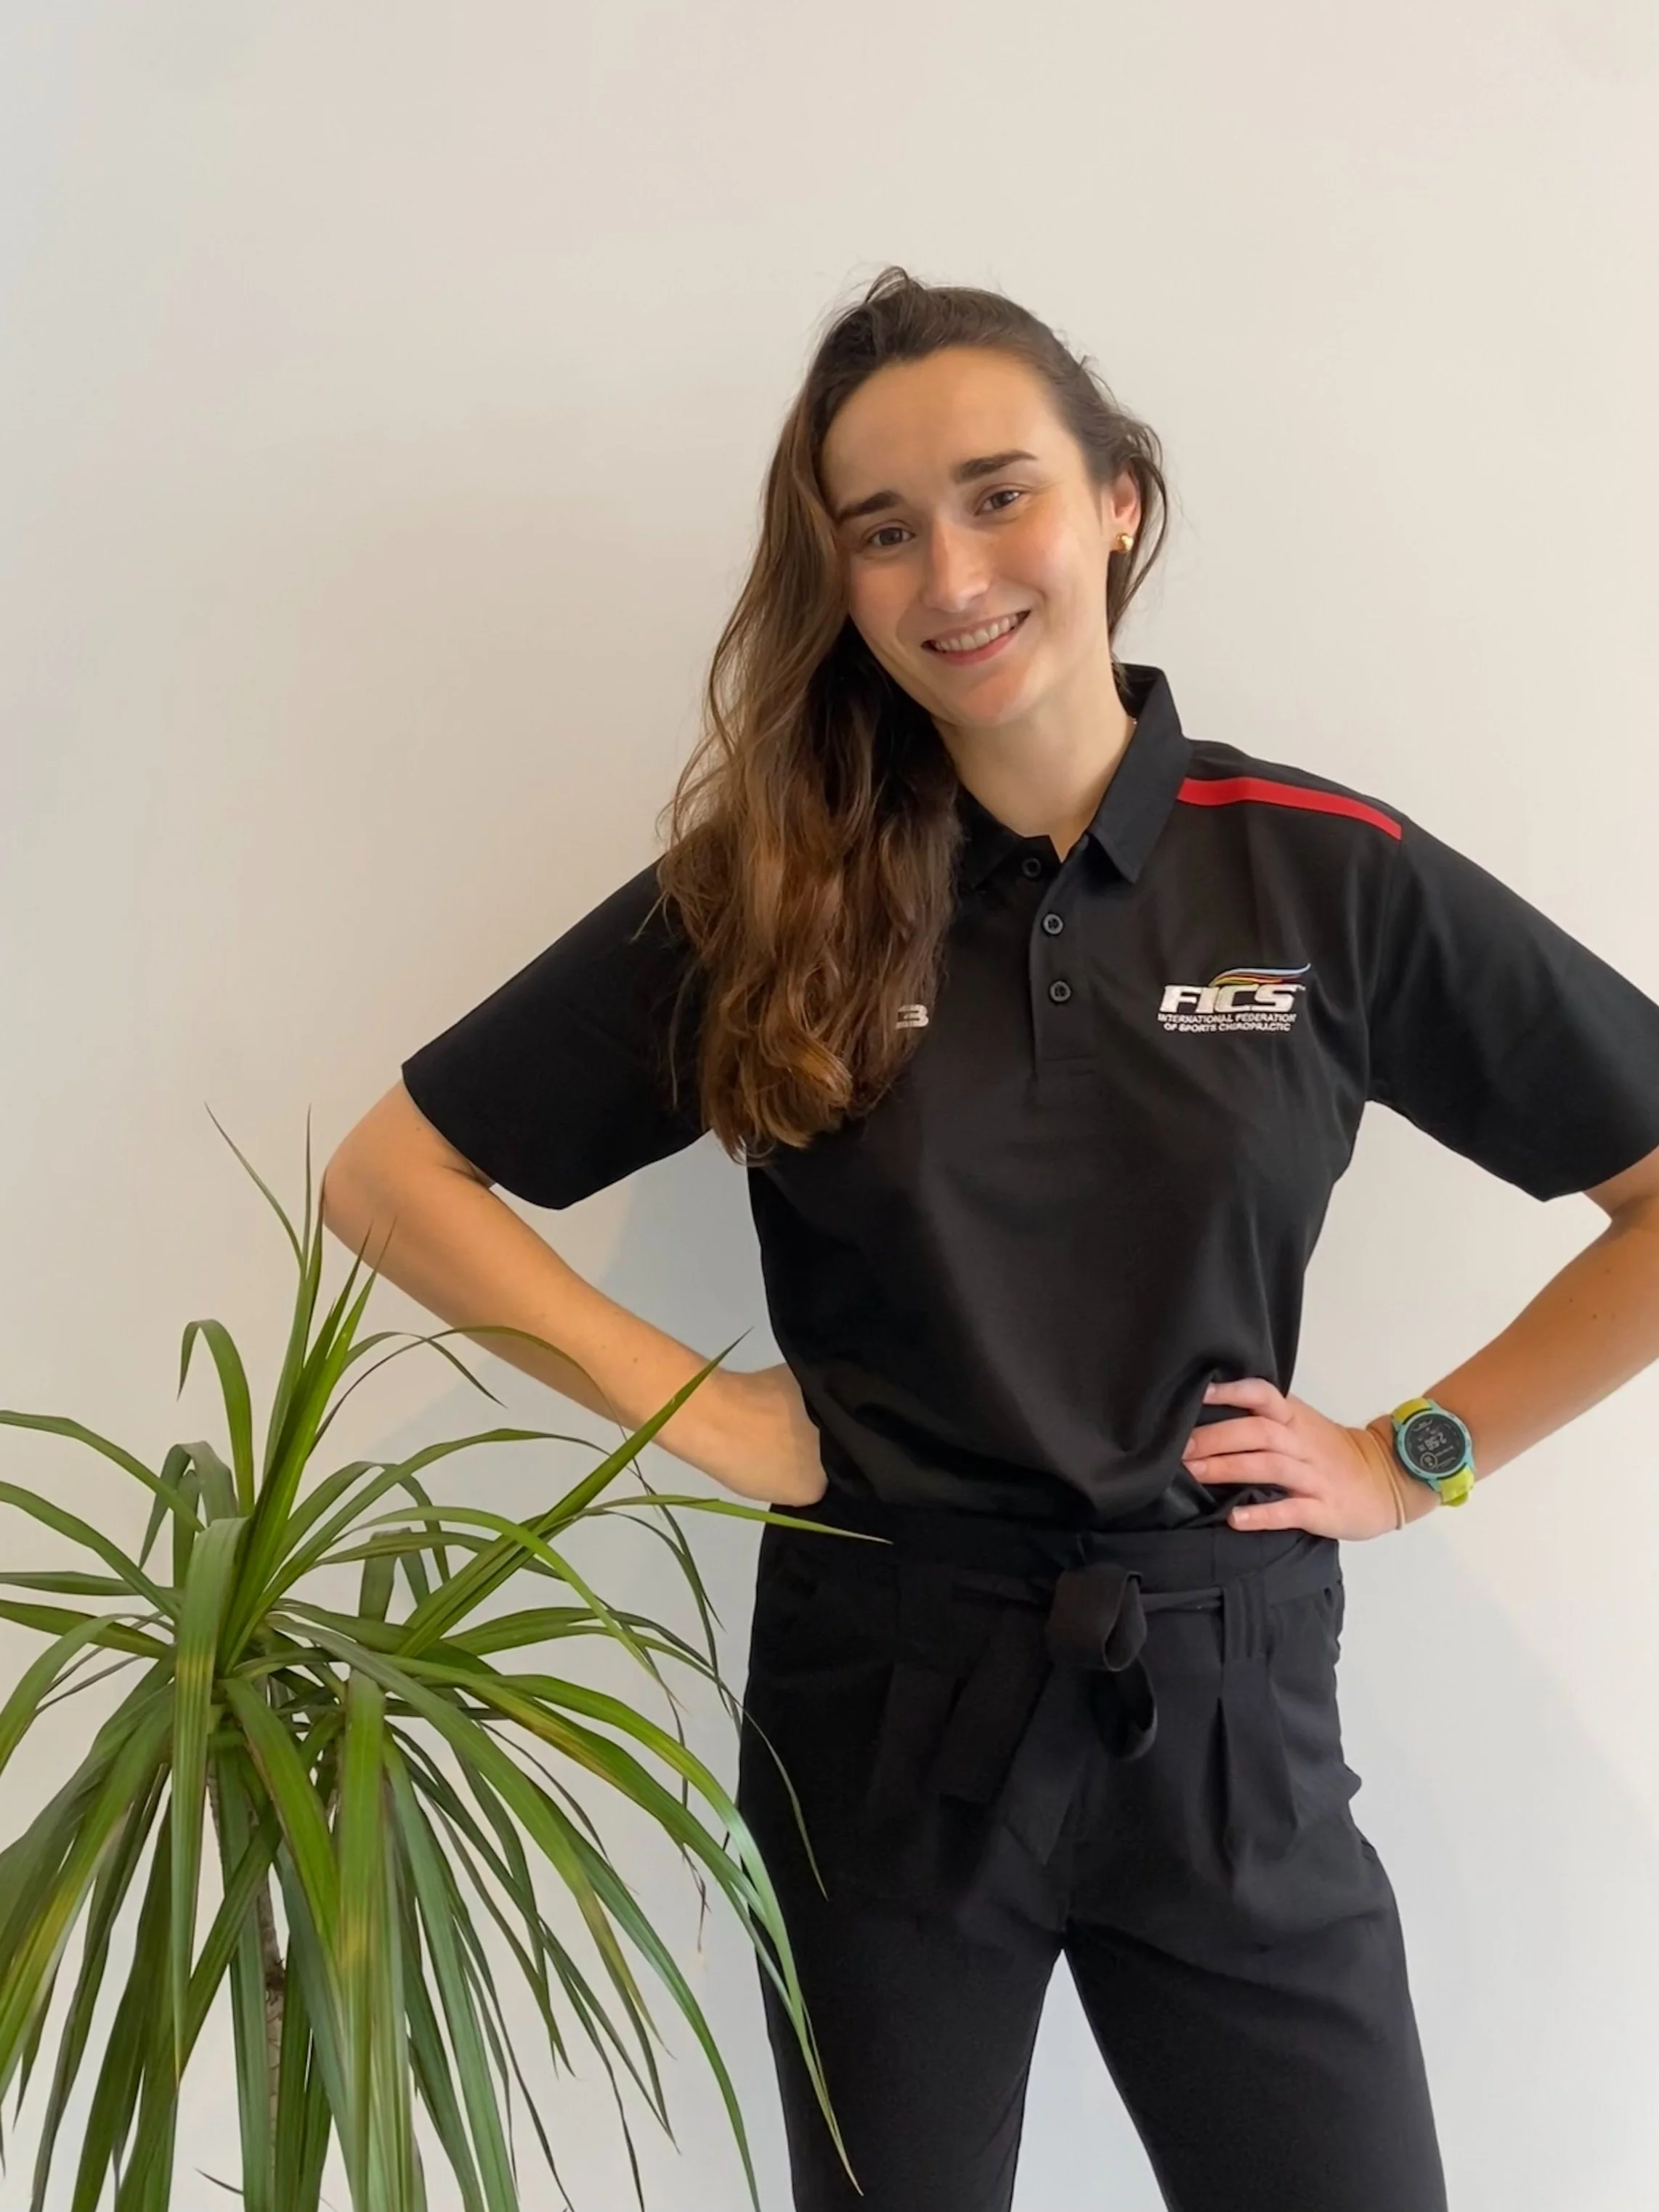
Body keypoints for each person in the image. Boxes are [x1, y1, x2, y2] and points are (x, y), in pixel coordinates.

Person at [322, 266, 1659, 2212]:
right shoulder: (771, 889)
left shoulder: (1315, 868)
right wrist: (698, 1409)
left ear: (1115, 497)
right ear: (839, 577)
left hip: (1221, 1703)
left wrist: (1412, 1457)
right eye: (881, 529)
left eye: (997, 490)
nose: (948, 569)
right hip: (884, 1698)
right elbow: (393, 1177)